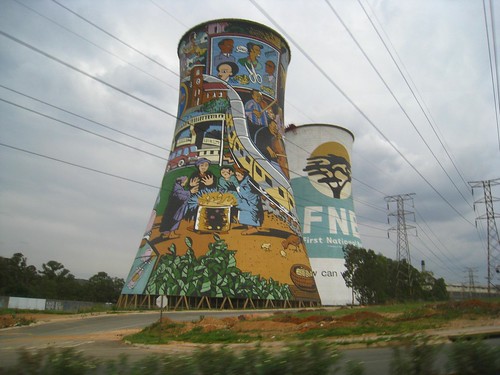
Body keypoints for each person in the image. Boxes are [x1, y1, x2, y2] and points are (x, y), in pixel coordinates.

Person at [234, 167, 263, 235]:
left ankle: (252, 228)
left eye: (238, 175)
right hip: (246, 202)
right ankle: (249, 227)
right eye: (236, 175)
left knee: (249, 214)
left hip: (251, 203)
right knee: (244, 213)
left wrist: (239, 189)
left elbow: (248, 193)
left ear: (243, 175)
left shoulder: (248, 182)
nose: (237, 177)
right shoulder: (244, 182)